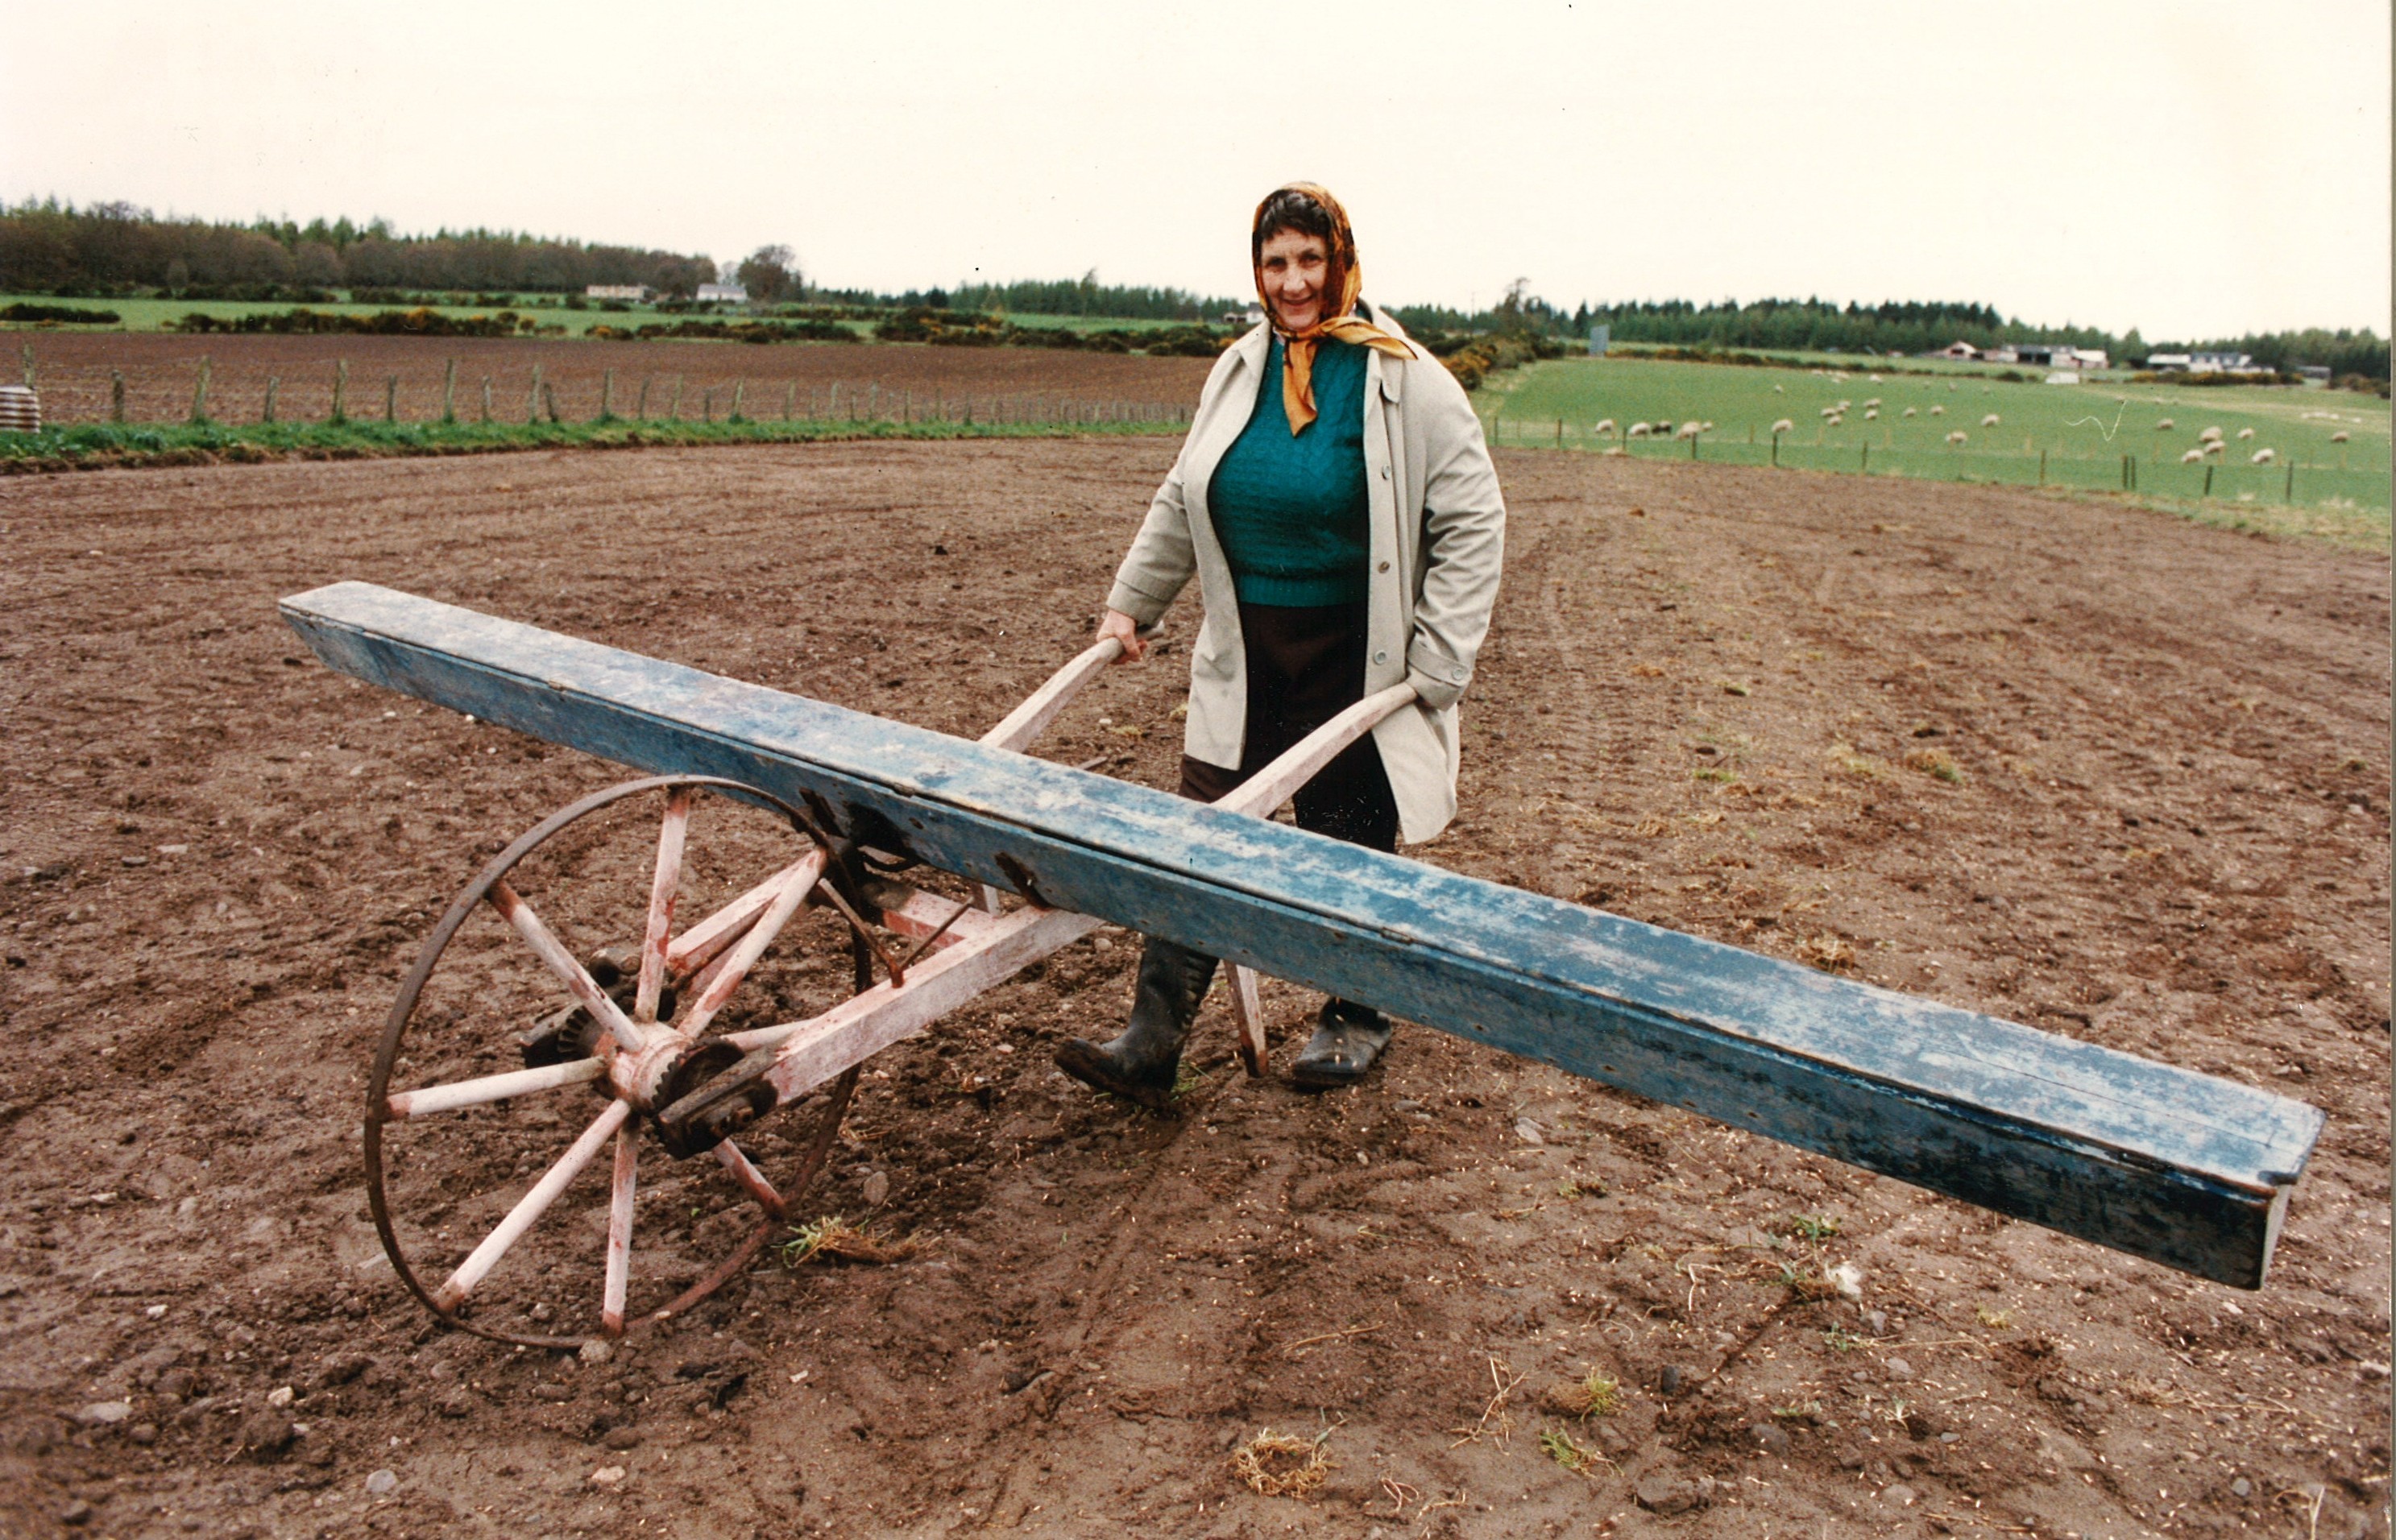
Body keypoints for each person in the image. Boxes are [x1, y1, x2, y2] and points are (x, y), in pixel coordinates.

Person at [1054, 182, 1506, 1110]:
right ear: (1255, 272)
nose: (1293, 281)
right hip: (1248, 651)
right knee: (1202, 837)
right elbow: (1183, 495)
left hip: (1352, 655)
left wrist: (1438, 661)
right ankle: (1151, 1038)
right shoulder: (1240, 367)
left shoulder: (1406, 375)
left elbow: (1473, 521)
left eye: (1309, 259)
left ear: (1340, 260)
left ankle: (1356, 1013)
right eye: (1275, 263)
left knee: (1347, 840)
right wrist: (1131, 604)